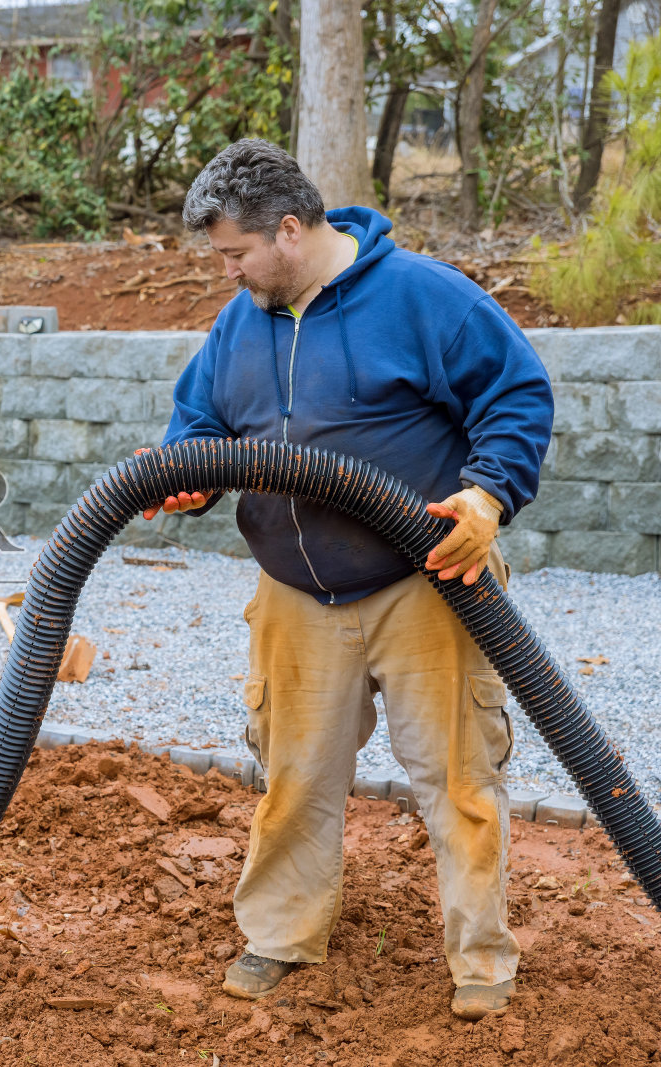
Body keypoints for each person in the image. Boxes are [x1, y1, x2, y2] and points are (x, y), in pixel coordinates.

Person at [145, 139, 553, 1021]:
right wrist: (185, 473)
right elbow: (200, 422)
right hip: (295, 591)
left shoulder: (422, 297)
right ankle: (282, 934)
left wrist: (485, 498)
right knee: (294, 772)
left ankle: (480, 956)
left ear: (288, 230)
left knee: (457, 778)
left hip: (426, 579)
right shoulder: (239, 323)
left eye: (235, 254)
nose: (229, 273)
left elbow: (517, 393)